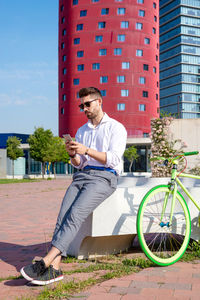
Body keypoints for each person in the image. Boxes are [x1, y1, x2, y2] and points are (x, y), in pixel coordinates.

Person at [20, 87, 127, 285]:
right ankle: (55, 269)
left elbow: (112, 160)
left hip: (105, 178)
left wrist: (87, 149)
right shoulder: (82, 131)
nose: (84, 108)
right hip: (81, 176)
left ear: (99, 102)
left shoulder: (116, 127)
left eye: (88, 104)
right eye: (82, 105)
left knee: (76, 214)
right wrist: (73, 155)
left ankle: (45, 261)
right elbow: (81, 163)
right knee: (63, 216)